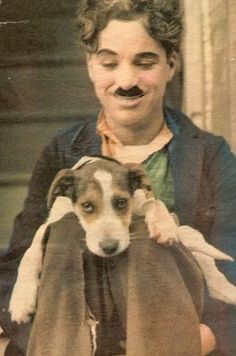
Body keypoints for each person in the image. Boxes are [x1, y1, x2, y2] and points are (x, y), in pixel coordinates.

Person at [0, 0, 236, 355]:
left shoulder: (210, 154)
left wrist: (204, 336)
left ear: (172, 64)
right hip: (73, 335)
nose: (127, 81)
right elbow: (18, 262)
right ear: (91, 66)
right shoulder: (63, 152)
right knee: (60, 227)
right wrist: (46, 338)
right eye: (109, 63)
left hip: (174, 337)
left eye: (145, 62)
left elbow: (231, 260)